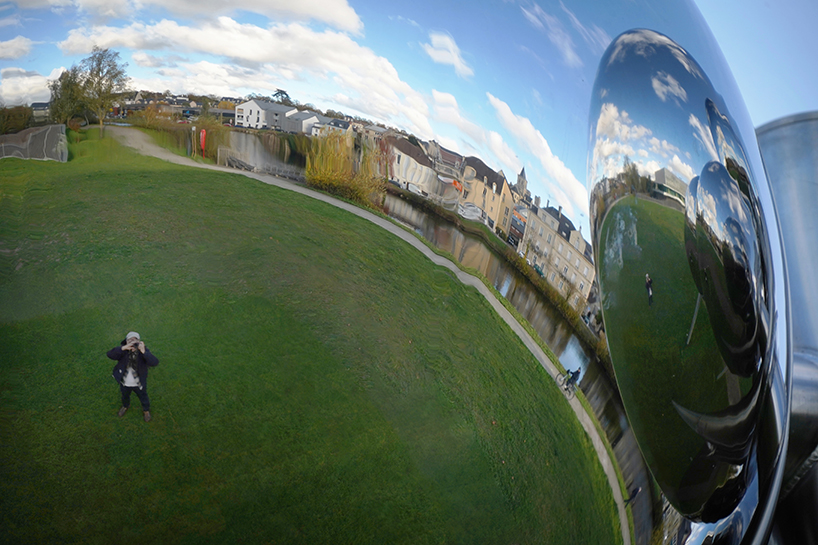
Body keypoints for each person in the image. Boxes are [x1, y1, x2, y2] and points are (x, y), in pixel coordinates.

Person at [107, 331, 159, 422]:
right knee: (125, 396)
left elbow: (154, 362)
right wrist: (123, 348)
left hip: (139, 384)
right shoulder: (123, 352)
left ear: (139, 342)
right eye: (130, 340)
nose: (132, 343)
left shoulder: (143, 352)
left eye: (135, 340)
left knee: (143, 397)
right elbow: (110, 354)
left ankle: (146, 410)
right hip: (125, 383)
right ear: (126, 342)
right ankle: (125, 406)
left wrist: (144, 352)